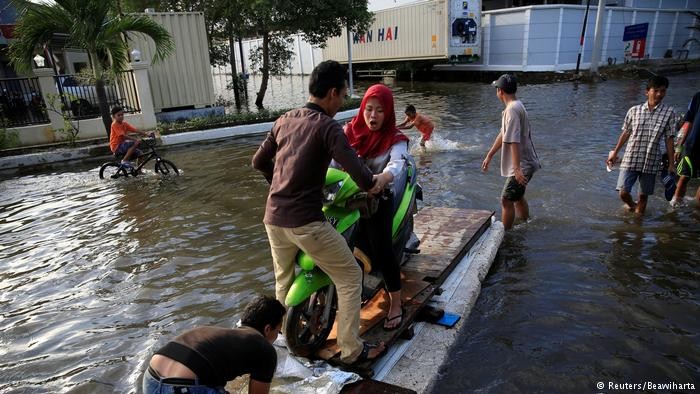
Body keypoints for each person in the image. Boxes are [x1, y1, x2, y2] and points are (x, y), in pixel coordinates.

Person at [251, 60, 386, 365]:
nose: (342, 102)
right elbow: (360, 174)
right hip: (305, 222)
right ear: (333, 93)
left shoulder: (284, 119)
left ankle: (281, 341)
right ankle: (353, 350)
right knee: (350, 274)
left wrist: (279, 185)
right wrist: (374, 184)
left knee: (283, 280)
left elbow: (258, 161)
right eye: (343, 95)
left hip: (273, 217)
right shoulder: (328, 127)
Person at [343, 84, 410, 330]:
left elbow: (397, 164)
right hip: (346, 198)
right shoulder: (348, 131)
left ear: (389, 112)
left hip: (378, 199)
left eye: (380, 110)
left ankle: (395, 303)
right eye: (368, 109)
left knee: (382, 251)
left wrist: (382, 179)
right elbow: (330, 157)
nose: (373, 116)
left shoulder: (396, 139)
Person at [142, 294, 286, 394]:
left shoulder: (217, 333)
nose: (277, 336)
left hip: (151, 378)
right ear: (267, 329)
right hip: (185, 387)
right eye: (278, 331)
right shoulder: (264, 348)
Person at [607, 76, 676, 214]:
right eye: (655, 90)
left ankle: (638, 229)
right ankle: (632, 206)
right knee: (623, 192)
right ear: (647, 92)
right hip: (631, 157)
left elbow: (669, 139)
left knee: (643, 196)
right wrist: (615, 152)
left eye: (662, 91)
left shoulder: (669, 113)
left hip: (651, 160)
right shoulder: (634, 111)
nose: (659, 94)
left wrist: (672, 163)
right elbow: (626, 133)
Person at [481, 74, 541, 230]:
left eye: (496, 89)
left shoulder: (511, 110)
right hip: (526, 162)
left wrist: (516, 168)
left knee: (506, 200)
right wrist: (490, 155)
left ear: (500, 91)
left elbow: (514, 140)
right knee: (517, 196)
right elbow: (504, 133)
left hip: (523, 164)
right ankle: (526, 223)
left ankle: (504, 235)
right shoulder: (516, 105)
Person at [671, 91, 700, 206]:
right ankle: (675, 205)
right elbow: (688, 122)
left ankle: (696, 212)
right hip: (692, 144)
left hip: (692, 145)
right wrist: (679, 146)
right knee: (684, 176)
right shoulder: (698, 97)